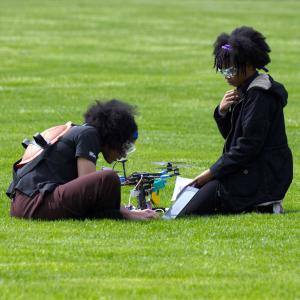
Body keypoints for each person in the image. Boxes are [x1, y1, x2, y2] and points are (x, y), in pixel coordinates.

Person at [184, 26, 293, 215]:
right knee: (187, 202)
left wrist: (210, 173)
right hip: (249, 169)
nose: (226, 75)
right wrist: (222, 112)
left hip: (262, 175)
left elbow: (246, 148)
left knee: (189, 210)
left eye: (231, 69)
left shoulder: (260, 96)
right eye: (223, 69)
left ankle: (265, 204)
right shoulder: (246, 90)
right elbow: (234, 137)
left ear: (249, 64)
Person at [7, 99, 158, 220]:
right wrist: (129, 213)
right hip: (37, 204)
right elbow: (89, 183)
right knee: (108, 178)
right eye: (124, 145)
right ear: (113, 137)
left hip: (24, 204)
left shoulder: (78, 131)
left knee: (104, 180)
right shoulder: (89, 135)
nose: (124, 153)